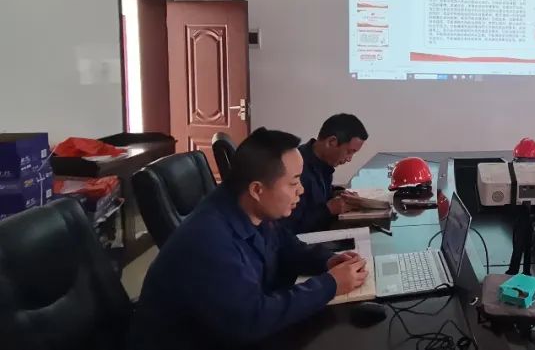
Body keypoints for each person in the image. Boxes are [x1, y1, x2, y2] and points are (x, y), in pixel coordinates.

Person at [128, 128, 368, 350]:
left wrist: (327, 261)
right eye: (294, 183)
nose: (301, 190)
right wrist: (329, 285)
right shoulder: (209, 240)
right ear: (257, 190)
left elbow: (287, 247)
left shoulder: (249, 207)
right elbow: (253, 318)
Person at [283, 113, 369, 233]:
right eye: (349, 152)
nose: (349, 159)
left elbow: (319, 195)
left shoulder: (323, 163)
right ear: (331, 142)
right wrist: (328, 210)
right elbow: (289, 227)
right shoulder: (297, 169)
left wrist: (339, 193)